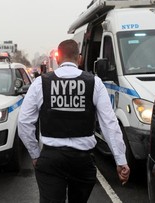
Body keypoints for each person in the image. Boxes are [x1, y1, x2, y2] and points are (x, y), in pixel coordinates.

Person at [18, 39, 130, 203]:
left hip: (51, 158)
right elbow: (109, 123)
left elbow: (24, 123)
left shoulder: (41, 83)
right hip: (82, 161)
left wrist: (35, 154)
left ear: (58, 59)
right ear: (80, 58)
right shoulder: (94, 83)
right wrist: (120, 160)